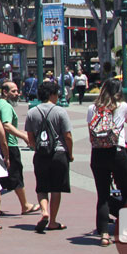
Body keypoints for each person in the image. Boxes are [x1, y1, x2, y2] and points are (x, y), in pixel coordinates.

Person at [86, 78, 127, 246]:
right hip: (117, 152)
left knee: (103, 194)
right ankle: (126, 231)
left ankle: (104, 234)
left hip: (98, 153)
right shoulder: (123, 106)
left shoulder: (92, 108)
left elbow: (91, 130)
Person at [25, 80, 74, 234]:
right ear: (52, 94)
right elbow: (68, 136)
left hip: (41, 154)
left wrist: (36, 148)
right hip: (59, 153)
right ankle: (52, 221)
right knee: (56, 189)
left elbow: (30, 137)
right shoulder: (60, 111)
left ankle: (43, 211)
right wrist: (70, 153)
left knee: (42, 186)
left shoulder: (32, 112)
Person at [0, 81, 40, 215]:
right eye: (13, 91)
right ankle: (25, 205)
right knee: (16, 175)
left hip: (0, 146)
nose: (17, 94)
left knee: (0, 178)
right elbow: (6, 125)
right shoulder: (6, 106)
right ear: (5, 92)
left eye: (17, 91)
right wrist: (24, 136)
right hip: (9, 145)